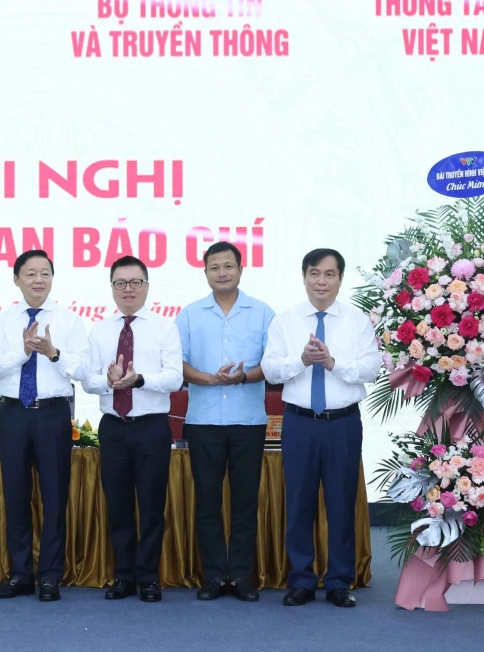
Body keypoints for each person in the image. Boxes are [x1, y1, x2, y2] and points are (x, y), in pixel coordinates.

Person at [261, 248, 381, 608]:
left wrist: (333, 363)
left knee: (341, 503)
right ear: (304, 277)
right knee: (298, 502)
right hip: (299, 423)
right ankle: (301, 579)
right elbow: (269, 369)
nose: (321, 281)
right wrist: (301, 360)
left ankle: (339, 581)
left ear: (340, 279)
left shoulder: (357, 321)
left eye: (330, 274)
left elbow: (371, 369)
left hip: (342, 424)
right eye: (314, 273)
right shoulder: (285, 321)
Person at [0, 250, 88, 602]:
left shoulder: (69, 320)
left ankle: (50, 576)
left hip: (52, 414)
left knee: (54, 495)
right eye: (30, 273)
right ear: (17, 279)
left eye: (45, 273)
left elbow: (82, 369)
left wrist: (53, 353)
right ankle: (20, 574)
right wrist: (24, 351)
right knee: (15, 494)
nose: (38, 280)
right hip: (13, 413)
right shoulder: (2, 320)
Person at [176, 241, 274, 603]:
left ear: (241, 270)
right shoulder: (189, 315)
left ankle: (242, 576)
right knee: (207, 503)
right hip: (203, 421)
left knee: (245, 501)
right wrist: (209, 379)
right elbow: (177, 364)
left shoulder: (262, 313)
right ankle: (215, 576)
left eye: (228, 266)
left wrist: (243, 377)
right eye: (214, 267)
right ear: (205, 272)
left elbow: (273, 364)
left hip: (248, 421)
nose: (222, 272)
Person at [82, 255, 183, 602]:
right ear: (112, 288)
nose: (128, 289)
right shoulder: (100, 330)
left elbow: (175, 377)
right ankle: (123, 576)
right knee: (119, 505)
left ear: (147, 287)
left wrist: (139, 380)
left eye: (135, 282)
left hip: (151, 427)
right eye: (120, 283)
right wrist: (109, 382)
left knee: (152, 506)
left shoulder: (164, 328)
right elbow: (88, 381)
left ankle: (148, 578)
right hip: (114, 427)